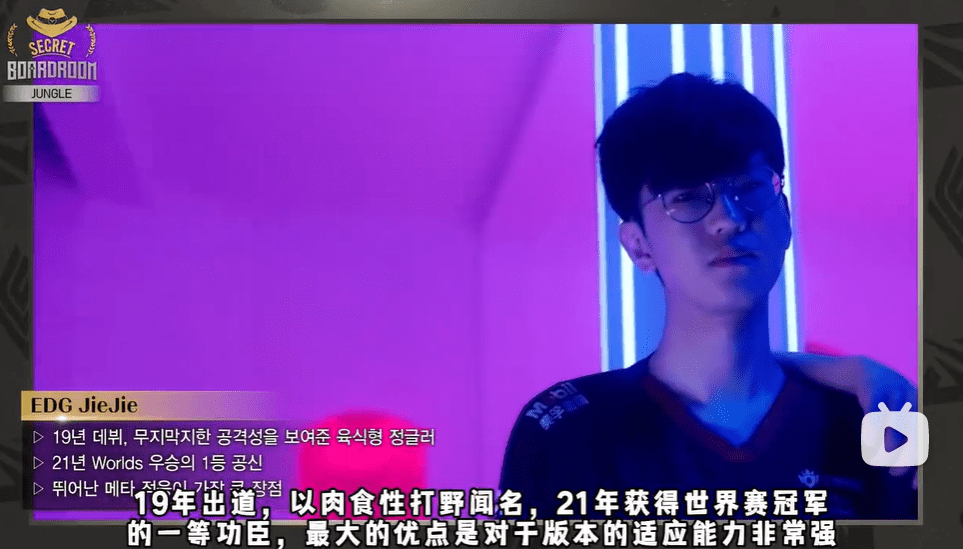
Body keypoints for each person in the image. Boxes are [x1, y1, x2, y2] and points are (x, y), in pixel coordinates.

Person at [499, 73, 918, 521]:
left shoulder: (872, 420)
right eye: (687, 198)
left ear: (785, 216)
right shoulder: (567, 432)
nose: (728, 219)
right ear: (639, 246)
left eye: (749, 188)